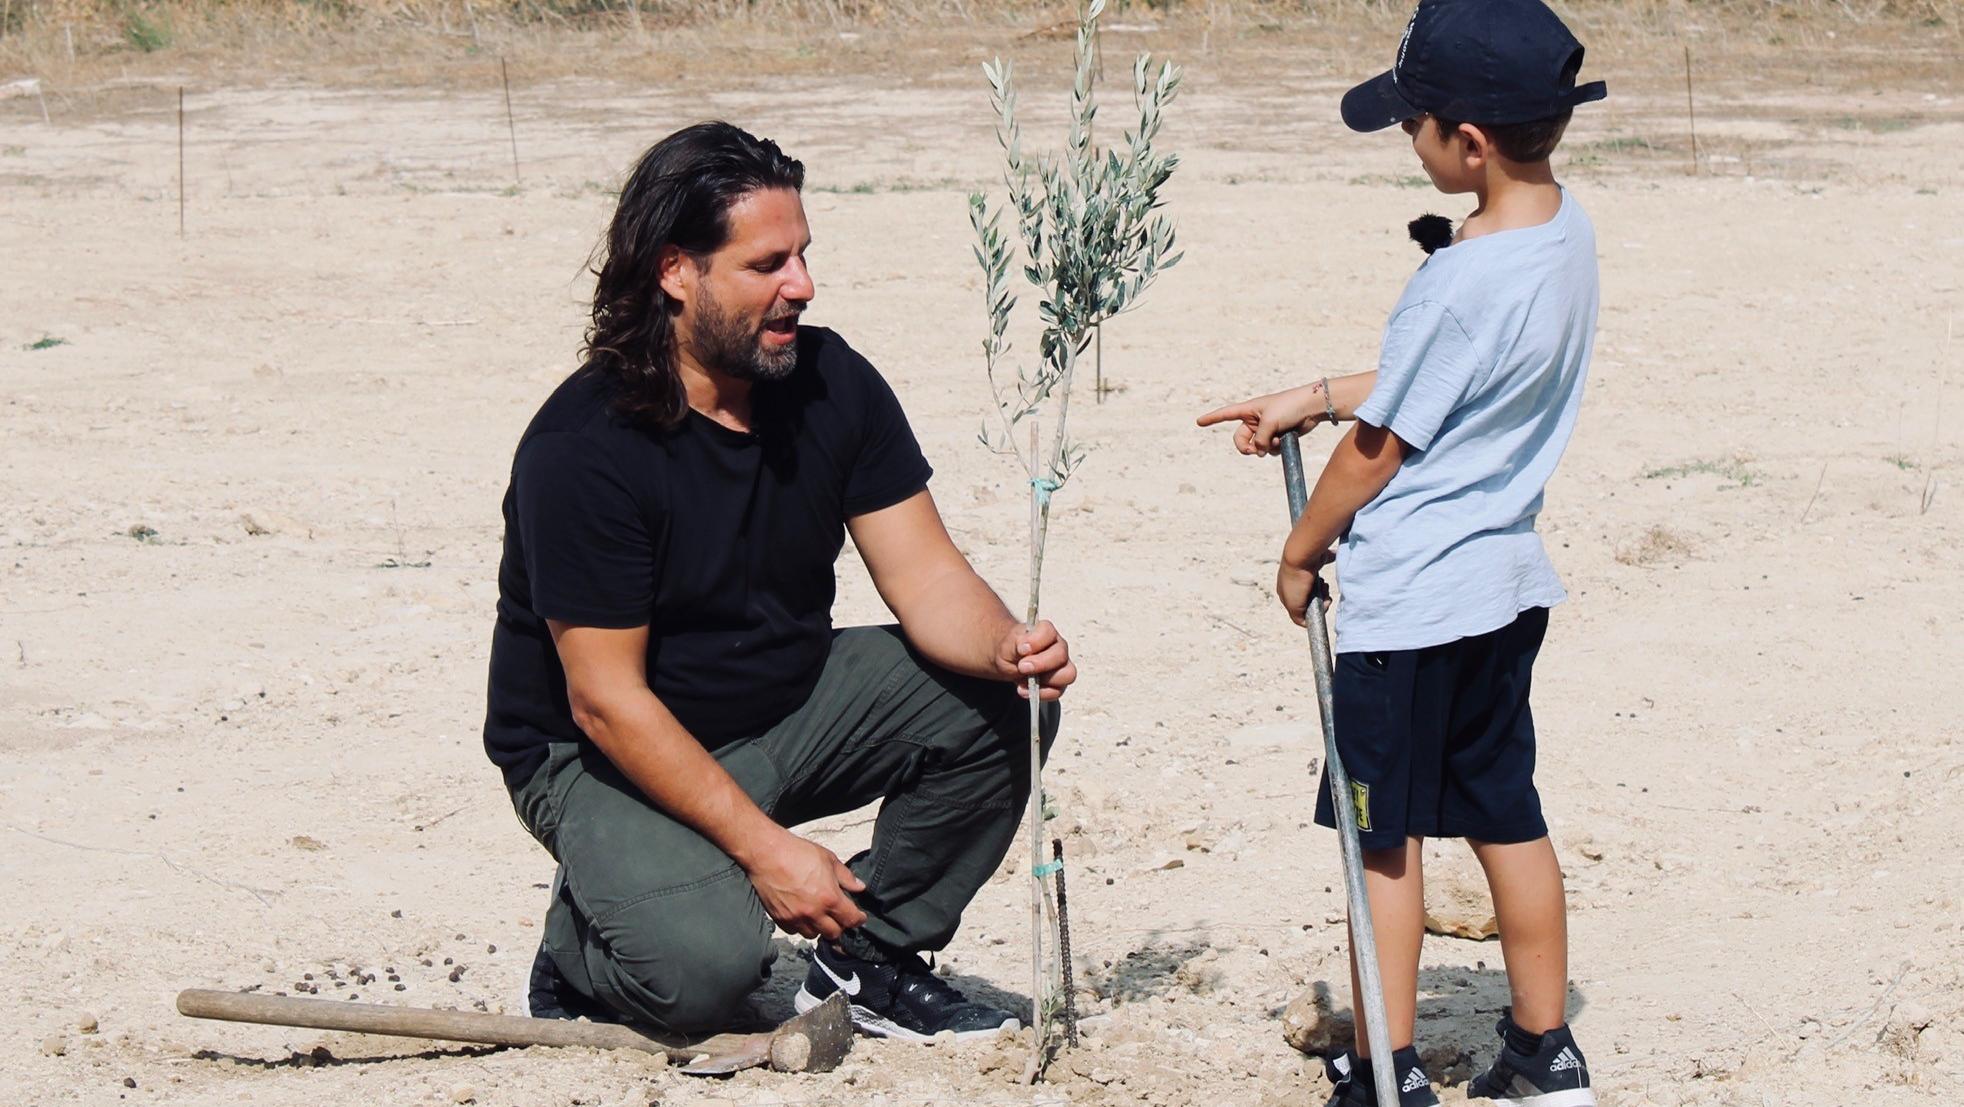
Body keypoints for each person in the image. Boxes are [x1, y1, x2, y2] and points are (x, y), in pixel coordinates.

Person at [483, 121, 1072, 1043]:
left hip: (779, 706)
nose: (801, 285)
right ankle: (582, 942)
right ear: (677, 271)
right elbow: (603, 702)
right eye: (768, 265)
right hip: (598, 752)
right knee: (700, 978)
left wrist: (1004, 645)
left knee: (1007, 698)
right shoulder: (585, 448)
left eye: (802, 256)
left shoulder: (829, 380)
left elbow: (925, 575)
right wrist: (771, 855)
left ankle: (869, 956)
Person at [1199, 0, 1608, 1103]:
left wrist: (1298, 548)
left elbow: (1377, 452)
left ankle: (1382, 1069)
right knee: (1504, 814)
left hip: (1408, 606)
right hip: (1501, 589)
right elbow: (1446, 394)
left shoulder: (1456, 278)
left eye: (1410, 125)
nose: (1408, 142)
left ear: (1463, 141)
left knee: (1379, 845)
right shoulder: (1560, 236)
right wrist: (1316, 394)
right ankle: (1543, 1050)